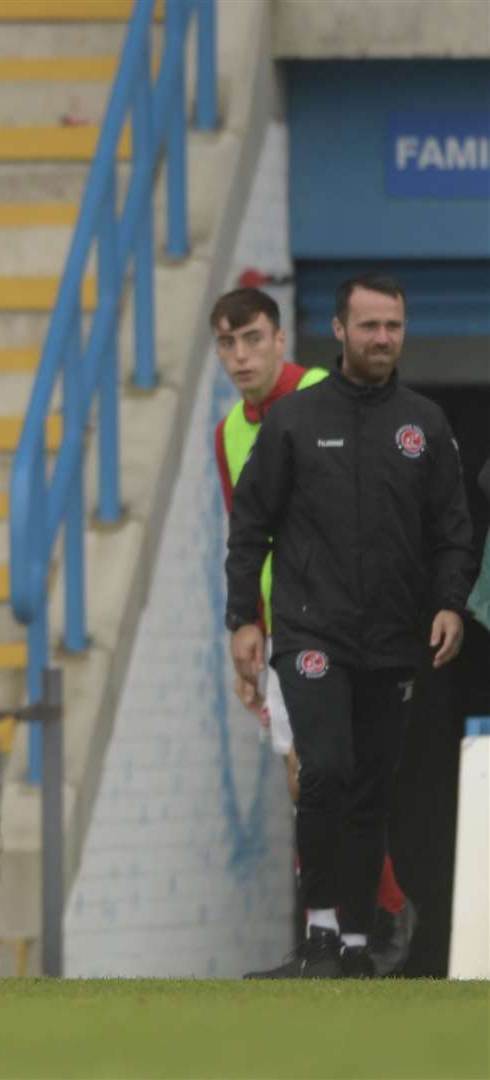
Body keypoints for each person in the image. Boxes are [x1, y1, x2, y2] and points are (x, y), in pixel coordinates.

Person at [226, 274, 474, 978]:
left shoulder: (424, 423)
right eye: (368, 326)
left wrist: (450, 603)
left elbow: (453, 532)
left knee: (369, 786)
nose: (382, 339)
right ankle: (321, 934)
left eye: (392, 326)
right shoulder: (294, 422)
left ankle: (358, 945)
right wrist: (243, 617)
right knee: (326, 771)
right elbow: (251, 526)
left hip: (394, 639)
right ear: (337, 330)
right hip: (312, 634)